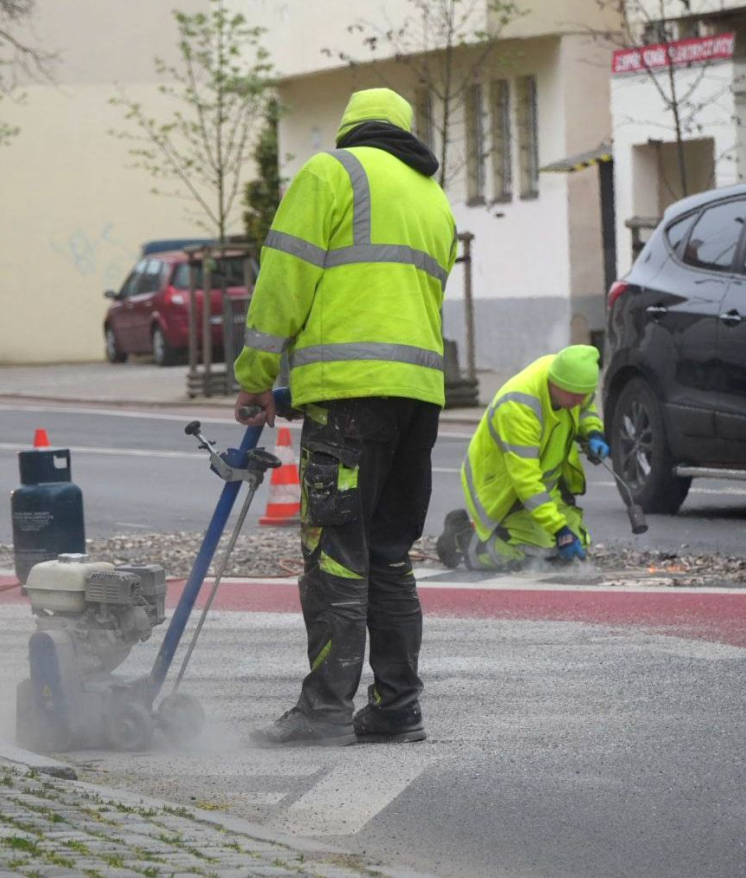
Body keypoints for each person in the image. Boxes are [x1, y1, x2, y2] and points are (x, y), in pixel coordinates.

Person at [233, 88, 457, 747]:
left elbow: (286, 280)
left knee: (335, 552)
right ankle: (397, 707)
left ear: (351, 127)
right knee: (389, 556)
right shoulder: (432, 199)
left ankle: (324, 709)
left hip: (348, 404)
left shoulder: (332, 173)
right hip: (418, 401)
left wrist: (256, 376)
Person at [437, 345, 609, 571]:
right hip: (504, 490)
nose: (579, 401)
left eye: (584, 394)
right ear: (555, 383)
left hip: (542, 487)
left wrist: (592, 432)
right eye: (574, 395)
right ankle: (466, 539)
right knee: (530, 556)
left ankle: (540, 536)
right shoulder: (519, 408)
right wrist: (560, 530)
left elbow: (585, 409)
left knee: (576, 545)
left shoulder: (569, 377)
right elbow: (525, 481)